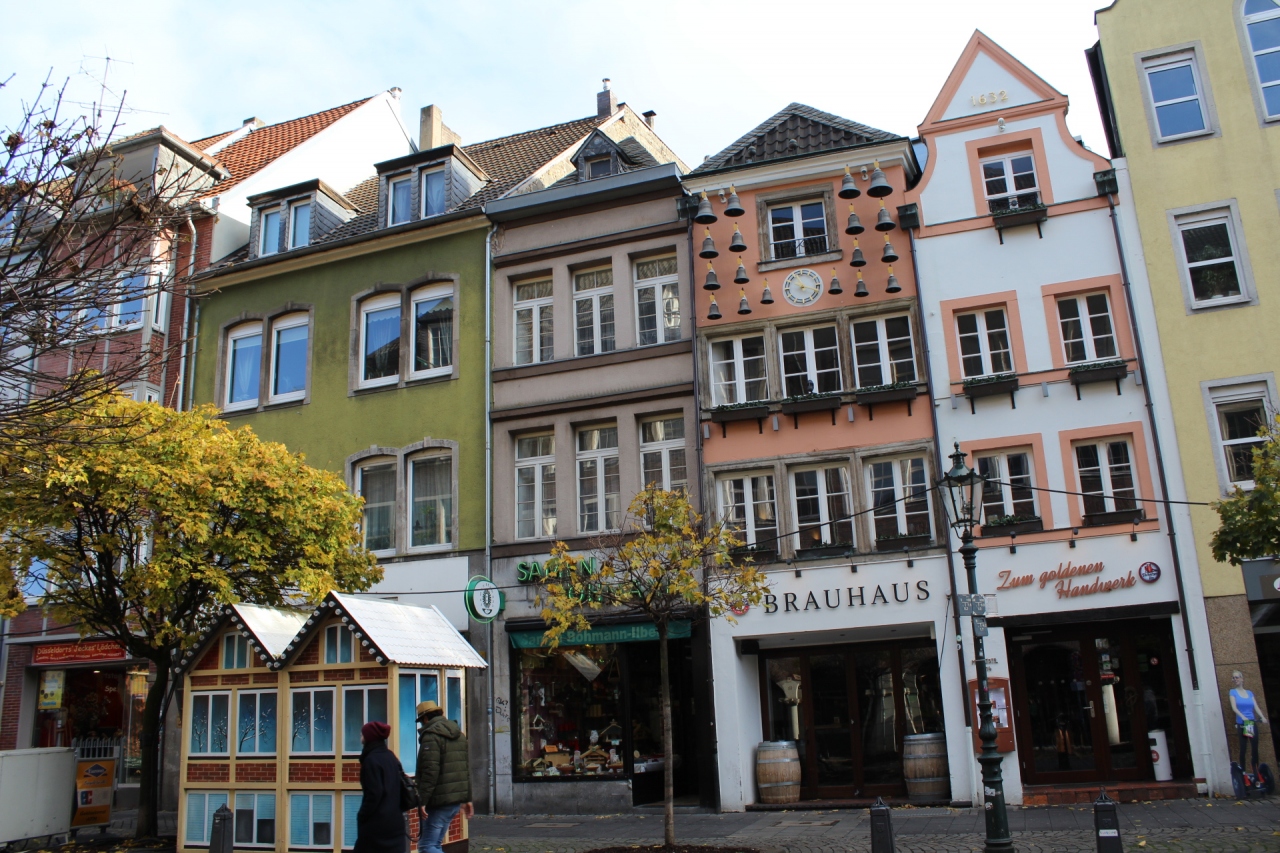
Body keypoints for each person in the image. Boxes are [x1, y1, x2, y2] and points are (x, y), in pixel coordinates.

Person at [415, 700, 473, 853]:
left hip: (438, 801)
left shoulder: (431, 736)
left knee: (427, 846)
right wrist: (467, 798)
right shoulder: (459, 735)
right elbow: (465, 768)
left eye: (421, 721)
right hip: (454, 801)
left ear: (425, 718)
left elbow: (430, 772)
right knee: (435, 844)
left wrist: (422, 801)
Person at [354, 721, 406, 853]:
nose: (360, 736)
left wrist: (362, 815)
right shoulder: (391, 757)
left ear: (369, 737)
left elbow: (374, 794)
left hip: (377, 826)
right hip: (396, 822)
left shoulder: (371, 760)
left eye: (363, 733)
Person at [1230, 670, 1269, 772]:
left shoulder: (1249, 693)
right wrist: (1242, 717)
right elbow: (1234, 708)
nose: (1235, 679)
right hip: (1242, 723)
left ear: (1242, 679)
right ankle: (1243, 771)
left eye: (1237, 677)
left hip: (1250, 722)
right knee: (1243, 748)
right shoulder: (1233, 692)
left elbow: (1256, 707)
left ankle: (1255, 770)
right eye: (1233, 678)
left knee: (1254, 747)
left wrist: (1262, 717)